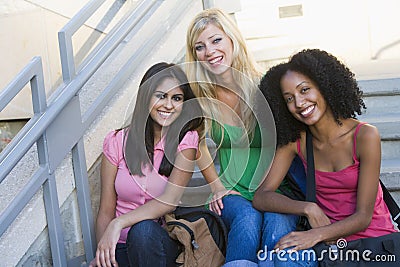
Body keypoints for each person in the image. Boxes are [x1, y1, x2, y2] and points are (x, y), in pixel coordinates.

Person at [185, 8, 313, 266]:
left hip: (278, 189)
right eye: (199, 47)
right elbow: (194, 141)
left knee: (276, 228)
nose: (209, 51)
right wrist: (216, 186)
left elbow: (294, 135)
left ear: (233, 40)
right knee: (247, 220)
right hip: (234, 191)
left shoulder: (266, 86)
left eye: (216, 40)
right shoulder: (200, 95)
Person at [254, 49, 397, 258]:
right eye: (289, 99)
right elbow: (261, 196)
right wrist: (308, 208)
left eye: (304, 90)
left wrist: (315, 235)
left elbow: (364, 216)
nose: (299, 103)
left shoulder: (365, 136)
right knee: (280, 258)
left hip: (376, 244)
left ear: (323, 86)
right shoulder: (298, 141)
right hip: (331, 250)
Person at [89, 62, 203, 267]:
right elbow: (106, 208)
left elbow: (170, 200)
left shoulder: (186, 141)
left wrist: (119, 223)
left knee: (142, 230)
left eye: (176, 98)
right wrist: (103, 253)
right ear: (145, 97)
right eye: (161, 96)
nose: (168, 105)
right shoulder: (116, 141)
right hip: (121, 247)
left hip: (158, 245)